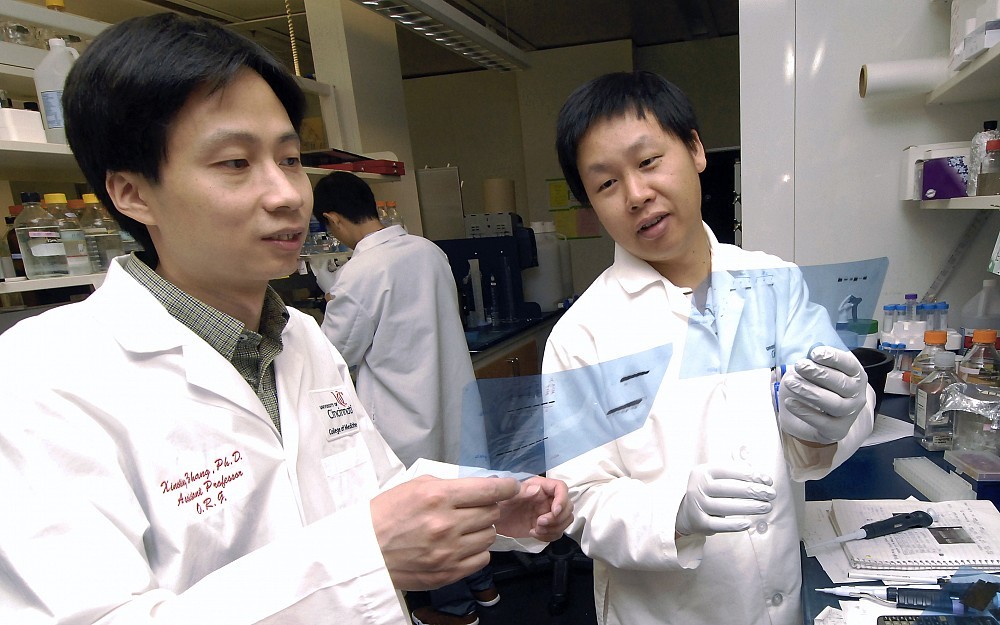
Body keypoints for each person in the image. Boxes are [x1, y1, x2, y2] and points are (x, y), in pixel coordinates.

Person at [0, 13, 573, 625]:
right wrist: (359, 555)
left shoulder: (301, 338)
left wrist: (492, 510)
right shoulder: (43, 381)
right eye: (234, 164)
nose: (288, 194)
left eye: (291, 159)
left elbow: (374, 492)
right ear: (133, 193)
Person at [542, 70, 875, 625]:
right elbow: (582, 499)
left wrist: (834, 415)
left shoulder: (776, 282)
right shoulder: (581, 337)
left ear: (695, 149)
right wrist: (675, 512)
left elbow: (846, 404)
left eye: (648, 161)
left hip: (785, 600)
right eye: (605, 184)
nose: (637, 195)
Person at [313, 171, 498, 625]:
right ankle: (485, 587)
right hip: (449, 395)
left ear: (333, 219)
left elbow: (334, 355)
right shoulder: (427, 250)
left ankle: (455, 612)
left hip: (403, 413)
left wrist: (326, 303)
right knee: (459, 495)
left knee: (426, 513)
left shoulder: (360, 272)